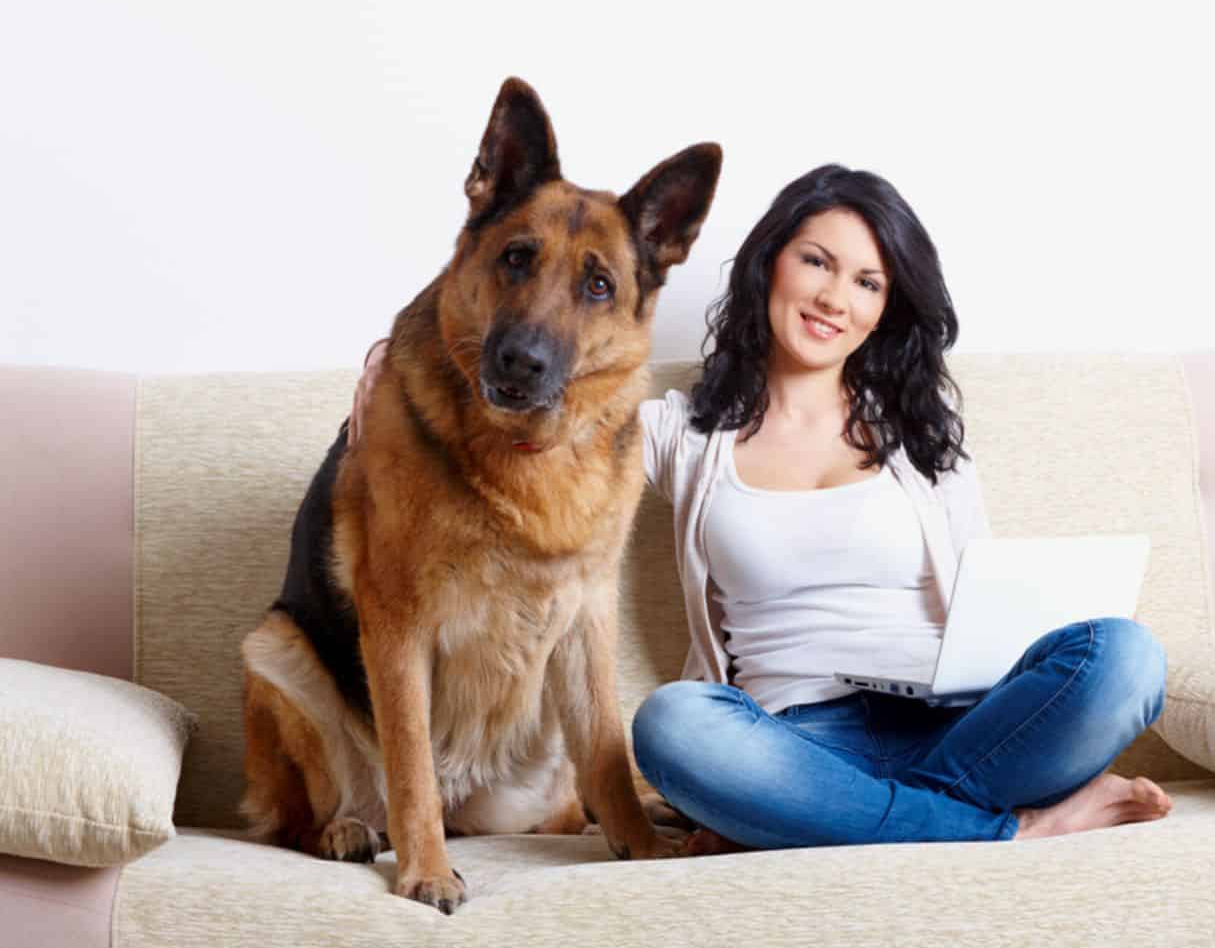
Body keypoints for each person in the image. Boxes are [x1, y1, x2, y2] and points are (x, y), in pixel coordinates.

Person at [354, 164, 1173, 855]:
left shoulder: (929, 443)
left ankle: (867, 819)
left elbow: (987, 607)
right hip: (789, 742)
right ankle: (1007, 832)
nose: (833, 298)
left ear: (886, 307)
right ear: (770, 265)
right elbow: (532, 433)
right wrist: (396, 363)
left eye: (866, 282)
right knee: (674, 727)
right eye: (816, 262)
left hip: (951, 726)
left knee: (1126, 655)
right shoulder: (677, 433)